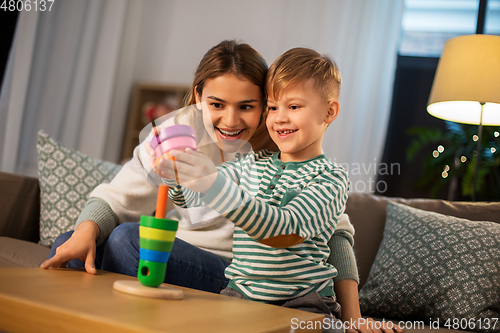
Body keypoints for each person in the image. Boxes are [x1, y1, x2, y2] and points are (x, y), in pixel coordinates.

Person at [40, 40, 359, 299]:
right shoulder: (176, 133)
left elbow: (330, 229)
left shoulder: (283, 143)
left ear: (262, 103)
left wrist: (351, 314)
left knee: (126, 240)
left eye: (247, 106)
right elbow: (127, 196)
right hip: (173, 250)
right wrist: (85, 231)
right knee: (71, 244)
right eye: (217, 104)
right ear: (198, 96)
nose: (231, 121)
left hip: (238, 272)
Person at [154, 47, 401, 333]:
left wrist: (212, 183)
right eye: (272, 107)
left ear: (330, 111)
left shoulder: (330, 179)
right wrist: (176, 176)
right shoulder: (250, 163)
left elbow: (283, 231)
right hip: (240, 295)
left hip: (303, 303)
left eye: (293, 107)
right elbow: (193, 200)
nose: (279, 118)